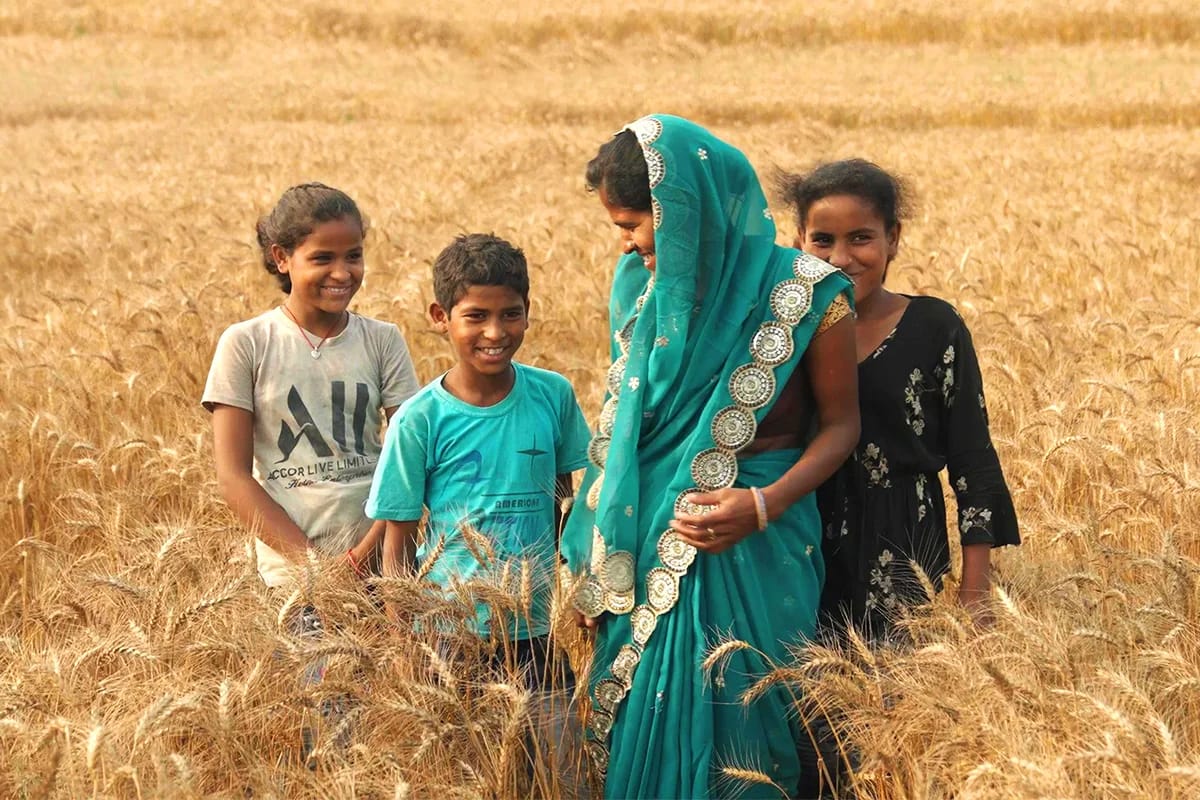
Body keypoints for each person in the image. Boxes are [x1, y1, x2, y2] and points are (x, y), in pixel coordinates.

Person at [562, 115, 860, 799]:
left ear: (684, 212)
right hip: (648, 537)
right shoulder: (635, 290)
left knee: (747, 725)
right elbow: (624, 431)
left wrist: (762, 506)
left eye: (634, 224)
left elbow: (841, 426)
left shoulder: (807, 294)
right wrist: (596, 552)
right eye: (619, 227)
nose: (628, 243)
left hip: (759, 541)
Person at [365, 233, 593, 793]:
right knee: (470, 774)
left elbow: (565, 503)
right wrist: (404, 642)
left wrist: (582, 586)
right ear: (440, 317)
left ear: (528, 312)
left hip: (534, 629)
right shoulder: (418, 419)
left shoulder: (552, 396)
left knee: (565, 770)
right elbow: (398, 542)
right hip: (450, 632)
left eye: (510, 314)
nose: (495, 332)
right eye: (476, 316)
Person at [202, 183, 420, 763]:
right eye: (322, 257)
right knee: (331, 731)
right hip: (295, 580)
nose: (342, 272)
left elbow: (412, 459)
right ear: (282, 258)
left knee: (402, 723)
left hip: (387, 564)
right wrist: (317, 572)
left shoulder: (382, 341)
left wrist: (368, 553)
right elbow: (233, 477)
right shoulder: (247, 344)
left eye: (354, 255)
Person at [778, 158, 1020, 641]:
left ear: (893, 238)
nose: (840, 258)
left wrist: (975, 593)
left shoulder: (934, 328)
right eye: (822, 240)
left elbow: (973, 461)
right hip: (802, 540)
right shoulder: (781, 332)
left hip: (905, 548)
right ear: (798, 240)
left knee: (899, 680)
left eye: (860, 238)